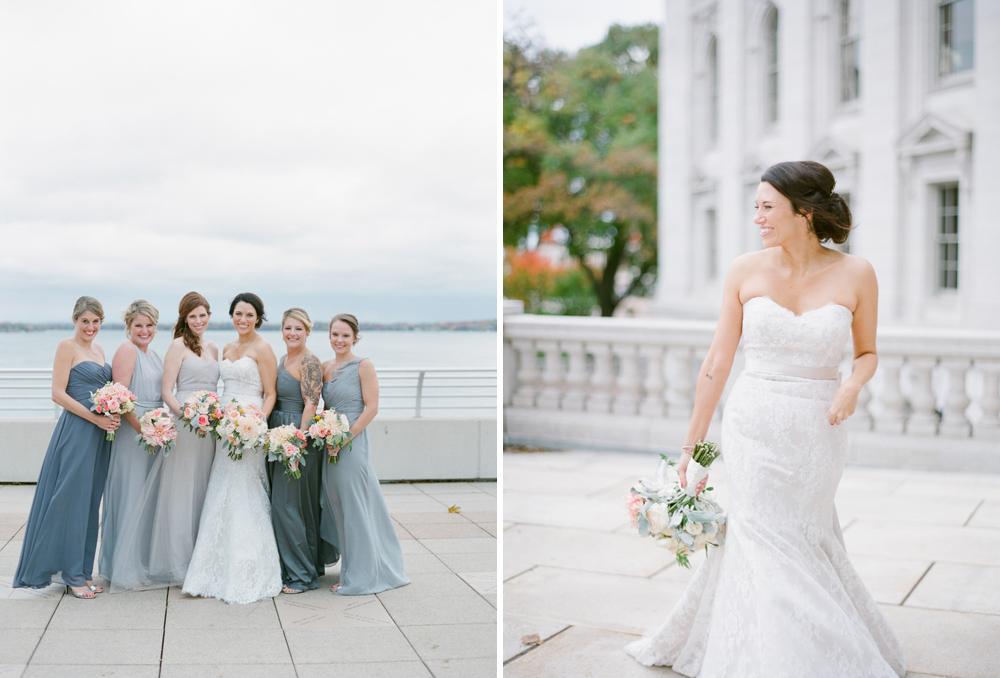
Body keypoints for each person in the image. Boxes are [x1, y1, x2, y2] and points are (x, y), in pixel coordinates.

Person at [625, 161, 906, 677]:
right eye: (755, 205)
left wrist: (851, 385)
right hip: (753, 423)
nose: (757, 216)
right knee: (761, 535)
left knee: (803, 532)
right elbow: (717, 363)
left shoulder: (856, 272)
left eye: (767, 206)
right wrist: (693, 448)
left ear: (804, 211)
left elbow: (867, 352)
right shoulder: (744, 270)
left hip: (818, 430)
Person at [109, 292, 220, 591]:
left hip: (207, 427)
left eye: (202, 315)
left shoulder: (213, 348)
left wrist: (211, 415)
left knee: (201, 488)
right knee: (177, 492)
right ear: (184, 318)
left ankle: (197, 557)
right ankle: (174, 562)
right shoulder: (174, 346)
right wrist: (186, 416)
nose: (198, 320)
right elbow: (166, 391)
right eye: (192, 316)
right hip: (183, 424)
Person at [14, 296, 119, 598]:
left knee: (89, 503)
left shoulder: (98, 350)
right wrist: (94, 419)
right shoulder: (66, 346)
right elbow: (57, 394)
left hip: (100, 436)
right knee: (71, 501)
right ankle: (71, 576)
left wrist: (110, 414)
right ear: (75, 320)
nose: (90, 327)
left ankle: (84, 572)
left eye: (96, 321)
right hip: (77, 431)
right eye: (85, 321)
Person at [182, 292, 282, 603]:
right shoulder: (226, 347)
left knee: (245, 488)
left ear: (258, 318)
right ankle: (211, 567)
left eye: (249, 315)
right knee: (221, 486)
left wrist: (254, 425)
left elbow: (270, 394)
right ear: (232, 315)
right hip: (225, 425)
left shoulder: (263, 348)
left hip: (249, 426)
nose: (243, 319)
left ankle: (248, 566)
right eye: (238, 313)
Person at [320, 313, 408, 595]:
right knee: (338, 508)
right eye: (335, 334)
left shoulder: (364, 365)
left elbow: (371, 408)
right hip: (329, 444)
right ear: (329, 336)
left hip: (352, 443)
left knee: (355, 509)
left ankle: (359, 575)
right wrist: (323, 432)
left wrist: (344, 437)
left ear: (355, 337)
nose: (340, 340)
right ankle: (350, 568)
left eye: (345, 335)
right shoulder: (325, 368)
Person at [269, 308, 338, 593]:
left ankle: (300, 577)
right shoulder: (284, 358)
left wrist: (298, 441)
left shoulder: (309, 360)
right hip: (278, 431)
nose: (292, 333)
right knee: (292, 505)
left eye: (298, 329)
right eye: (287, 328)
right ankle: (305, 567)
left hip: (297, 436)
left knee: (288, 507)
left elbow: (312, 403)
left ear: (307, 331)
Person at [98, 300, 164, 581]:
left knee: (144, 499)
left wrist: (160, 428)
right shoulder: (127, 350)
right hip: (132, 432)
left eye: (149, 325)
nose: (144, 330)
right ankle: (124, 570)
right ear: (128, 327)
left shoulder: (155, 355)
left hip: (152, 432)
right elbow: (121, 399)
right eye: (138, 325)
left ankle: (136, 562)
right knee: (130, 494)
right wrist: (143, 430)